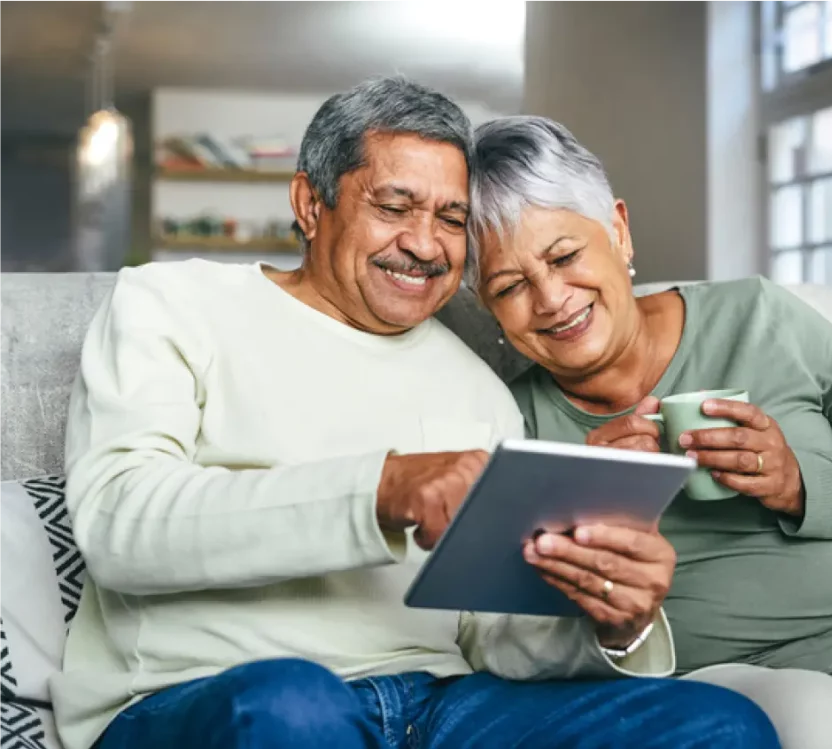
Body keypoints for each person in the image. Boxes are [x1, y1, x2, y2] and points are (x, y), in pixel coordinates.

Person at [52, 78, 780, 749]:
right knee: (294, 704)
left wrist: (611, 622)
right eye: (394, 207)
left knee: (721, 724)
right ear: (310, 203)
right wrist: (381, 489)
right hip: (206, 696)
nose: (426, 244)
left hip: (439, 708)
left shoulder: (479, 390)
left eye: (451, 219)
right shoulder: (173, 306)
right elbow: (120, 523)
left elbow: (494, 633)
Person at [468, 114, 832, 749]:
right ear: (489, 308)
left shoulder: (762, 318)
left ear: (618, 231)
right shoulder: (510, 421)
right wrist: (594, 507)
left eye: (564, 256)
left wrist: (798, 482)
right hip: (727, 680)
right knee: (829, 731)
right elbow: (506, 641)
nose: (551, 298)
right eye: (510, 286)